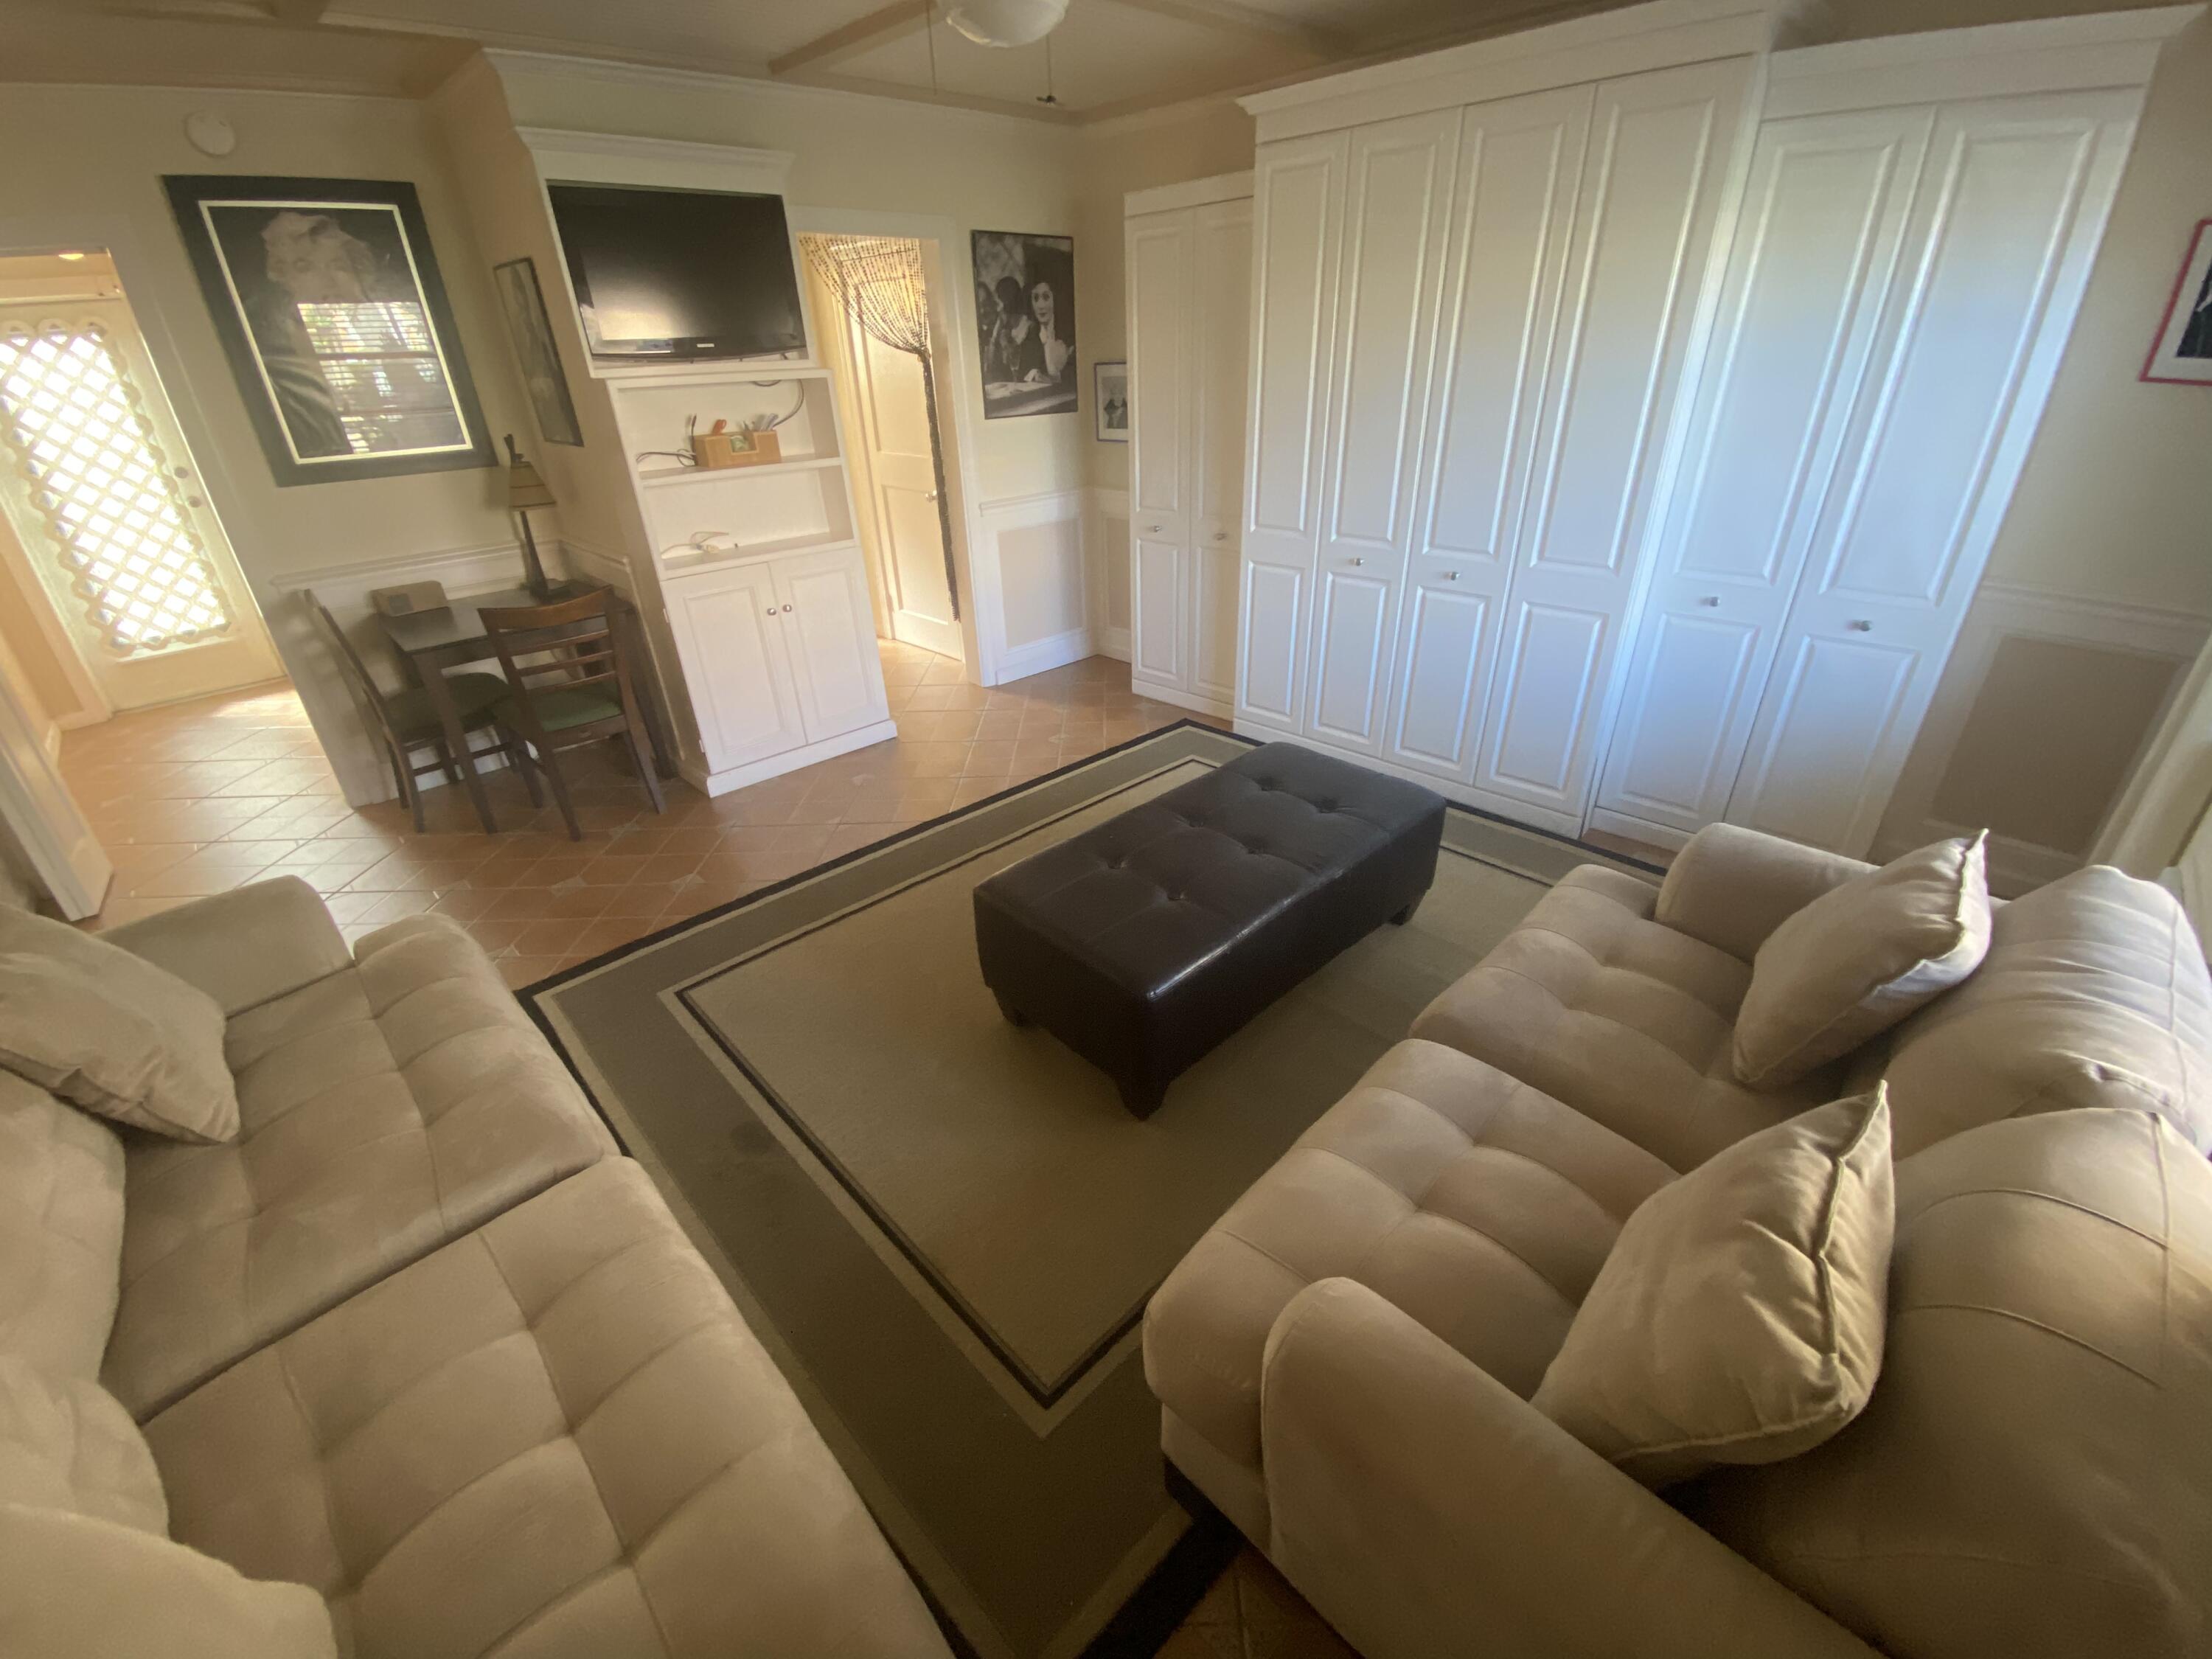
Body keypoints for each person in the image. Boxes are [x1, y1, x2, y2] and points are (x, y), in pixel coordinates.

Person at [987, 275, 1043, 385]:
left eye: (1008, 296)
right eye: (1002, 297)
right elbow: (992, 358)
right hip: (1005, 380)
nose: (1006, 303)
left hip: (1027, 380)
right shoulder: (1002, 321)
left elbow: (1032, 361)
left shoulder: (1030, 325)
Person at [1029, 276, 1071, 385]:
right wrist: (1035, 374)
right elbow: (1025, 370)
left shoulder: (1069, 332)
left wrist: (1056, 379)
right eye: (1036, 298)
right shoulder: (1031, 333)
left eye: (1046, 297)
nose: (1040, 306)